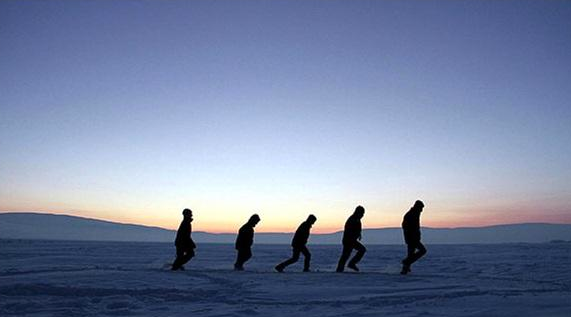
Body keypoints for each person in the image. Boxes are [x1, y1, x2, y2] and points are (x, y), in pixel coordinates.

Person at [336, 206, 366, 272]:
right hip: (348, 240)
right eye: (362, 213)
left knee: (346, 255)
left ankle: (345, 267)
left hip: (351, 240)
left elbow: (357, 229)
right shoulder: (352, 219)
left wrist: (359, 234)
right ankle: (346, 266)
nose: (363, 215)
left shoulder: (357, 219)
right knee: (346, 255)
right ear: (358, 212)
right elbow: (349, 230)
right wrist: (354, 236)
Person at [401, 200, 427, 275]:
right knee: (422, 250)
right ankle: (406, 262)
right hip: (412, 239)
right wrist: (411, 235)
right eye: (421, 208)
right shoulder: (411, 214)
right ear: (417, 207)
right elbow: (405, 226)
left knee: (411, 255)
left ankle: (404, 270)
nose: (422, 210)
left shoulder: (415, 214)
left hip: (413, 238)